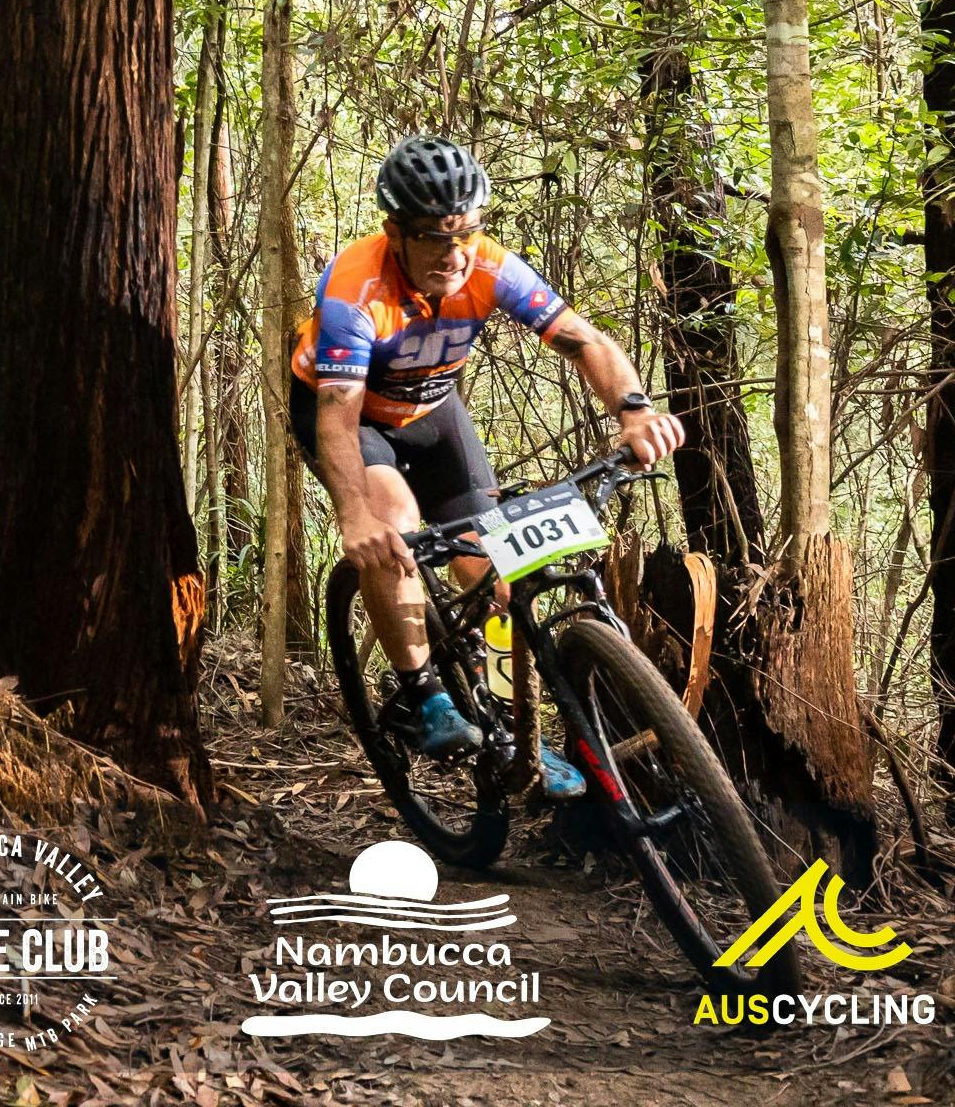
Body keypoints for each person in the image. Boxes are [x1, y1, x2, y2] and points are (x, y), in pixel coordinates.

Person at [290, 134, 685, 800]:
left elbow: (582, 341)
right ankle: (421, 693)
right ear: (396, 233)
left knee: (495, 575)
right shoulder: (356, 291)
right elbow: (337, 412)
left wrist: (635, 408)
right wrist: (353, 513)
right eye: (434, 239)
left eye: (467, 233)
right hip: (357, 422)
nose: (455, 254)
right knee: (394, 528)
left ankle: (511, 726)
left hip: (435, 414)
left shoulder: (491, 269)